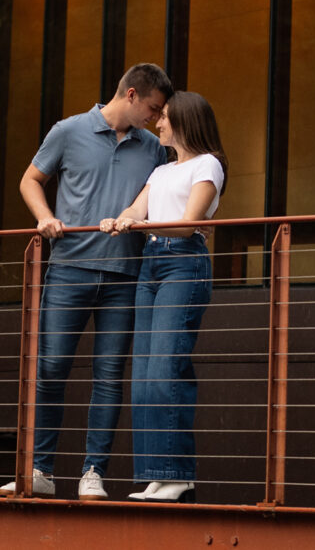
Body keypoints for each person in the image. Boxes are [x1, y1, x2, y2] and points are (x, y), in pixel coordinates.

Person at [0, 63, 175, 500]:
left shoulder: (153, 148)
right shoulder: (69, 130)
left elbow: (161, 197)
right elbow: (30, 180)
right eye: (153, 109)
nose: (155, 119)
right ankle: (38, 470)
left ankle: (93, 472)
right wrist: (44, 217)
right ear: (131, 95)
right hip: (68, 269)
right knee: (52, 369)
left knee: (110, 376)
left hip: (124, 276)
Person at [104, 89, 226, 503]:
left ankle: (177, 475)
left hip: (183, 264)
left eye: (165, 118)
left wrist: (140, 224)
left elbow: (190, 223)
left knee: (167, 368)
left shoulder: (208, 164)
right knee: (144, 375)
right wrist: (119, 220)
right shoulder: (161, 171)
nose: (158, 124)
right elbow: (135, 213)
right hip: (151, 263)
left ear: (185, 121)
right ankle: (157, 475)